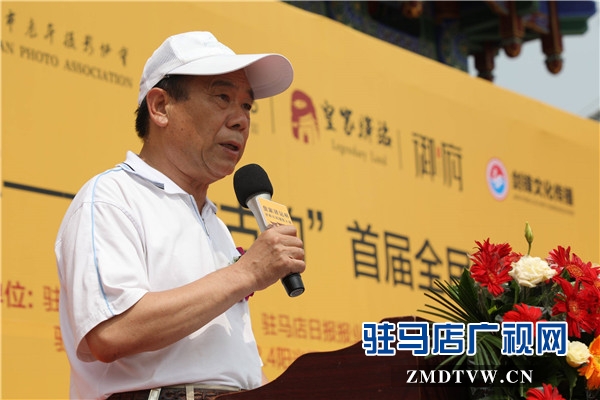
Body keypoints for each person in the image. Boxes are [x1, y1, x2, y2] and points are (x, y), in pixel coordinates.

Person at [55, 31, 305, 400]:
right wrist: (246, 273)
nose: (240, 120)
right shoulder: (111, 197)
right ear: (160, 107)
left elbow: (232, 366)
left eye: (247, 106)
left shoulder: (215, 225)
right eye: (222, 98)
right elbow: (110, 332)